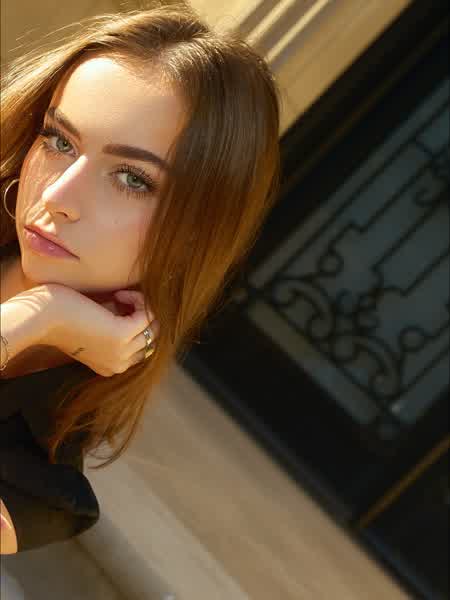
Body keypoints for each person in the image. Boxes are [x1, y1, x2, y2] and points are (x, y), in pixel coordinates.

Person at [0, 1, 281, 554]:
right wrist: (43, 314)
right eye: (59, 141)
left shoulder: (38, 488)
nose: (58, 196)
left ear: (198, 230)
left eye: (132, 178)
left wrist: (34, 321)